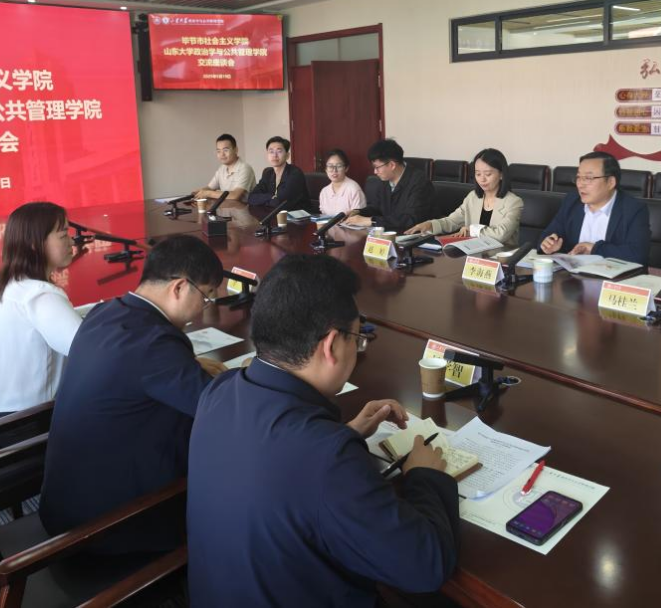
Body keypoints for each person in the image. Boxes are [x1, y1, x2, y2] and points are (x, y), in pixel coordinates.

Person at [187, 254, 459, 607]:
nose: (357, 348)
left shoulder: (221, 390)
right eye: (356, 338)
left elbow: (276, 462)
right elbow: (426, 567)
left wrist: (347, 432)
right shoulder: (327, 457)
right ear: (331, 345)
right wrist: (423, 475)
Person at [39, 234, 227, 554]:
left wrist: (191, 366)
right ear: (180, 288)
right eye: (207, 296)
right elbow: (220, 410)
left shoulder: (105, 313)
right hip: (106, 530)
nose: (203, 308)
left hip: (64, 504)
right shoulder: (155, 345)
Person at [0, 202, 81, 421]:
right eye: (63, 235)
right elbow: (90, 350)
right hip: (29, 419)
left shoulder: (10, 282)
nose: (72, 241)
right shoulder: (40, 296)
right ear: (35, 244)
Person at [539, 151, 650, 264]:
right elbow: (549, 235)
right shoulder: (572, 201)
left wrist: (594, 248)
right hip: (572, 273)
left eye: (588, 178)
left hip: (611, 274)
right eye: (578, 177)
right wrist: (549, 245)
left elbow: (637, 255)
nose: (580, 184)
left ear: (610, 182)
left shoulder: (633, 209)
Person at [406, 148, 523, 245]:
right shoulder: (473, 197)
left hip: (500, 257)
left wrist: (472, 230)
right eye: (478, 174)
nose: (482, 179)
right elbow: (452, 221)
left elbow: (501, 234)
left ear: (501, 174)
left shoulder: (514, 202)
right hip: (472, 253)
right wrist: (430, 225)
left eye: (488, 174)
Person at [344, 139, 435, 232]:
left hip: (417, 236)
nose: (375, 172)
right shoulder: (385, 179)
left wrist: (371, 221)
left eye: (377, 167)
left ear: (392, 165)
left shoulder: (419, 182)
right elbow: (377, 208)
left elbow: (410, 220)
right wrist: (359, 212)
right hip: (390, 234)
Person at [248, 135, 309, 211]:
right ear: (267, 155)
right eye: (271, 152)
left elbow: (281, 203)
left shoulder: (295, 173)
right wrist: (272, 197)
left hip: (298, 216)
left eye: (279, 151)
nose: (274, 155)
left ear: (287, 155)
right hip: (274, 213)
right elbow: (251, 197)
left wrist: (266, 199)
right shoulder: (268, 173)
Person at [193, 133, 257, 202]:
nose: (222, 154)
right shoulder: (221, 169)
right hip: (226, 207)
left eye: (225, 150)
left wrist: (208, 193)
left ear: (236, 150)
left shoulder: (245, 168)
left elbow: (235, 195)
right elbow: (210, 188)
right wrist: (199, 192)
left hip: (244, 208)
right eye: (218, 151)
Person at [318, 148, 366, 216]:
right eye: (330, 166)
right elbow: (323, 217)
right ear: (326, 169)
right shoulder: (324, 192)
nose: (334, 170)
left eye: (339, 166)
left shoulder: (354, 189)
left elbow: (358, 217)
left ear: (346, 168)